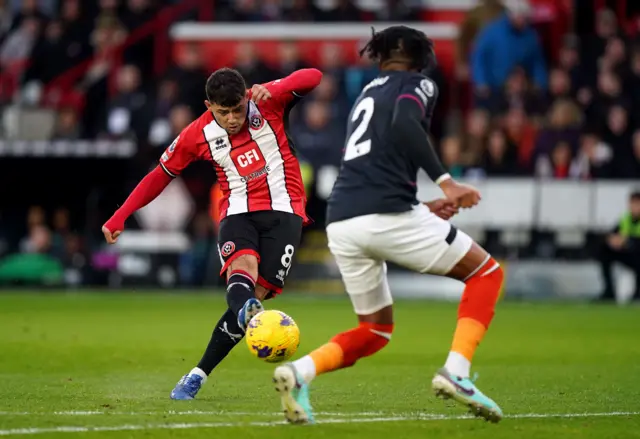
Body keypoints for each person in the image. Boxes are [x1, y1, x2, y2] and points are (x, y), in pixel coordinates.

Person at [271, 26, 504, 424]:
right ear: (419, 56)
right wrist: (447, 183)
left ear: (380, 56)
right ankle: (458, 373)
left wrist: (420, 206)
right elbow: (404, 124)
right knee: (487, 273)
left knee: (375, 330)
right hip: (384, 216)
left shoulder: (366, 92)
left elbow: (375, 165)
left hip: (344, 220)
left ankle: (299, 372)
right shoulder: (418, 84)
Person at [101, 66, 322, 399]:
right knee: (241, 272)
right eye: (224, 112)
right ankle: (204, 368)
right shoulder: (196, 134)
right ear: (208, 106)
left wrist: (280, 84)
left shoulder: (267, 101)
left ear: (245, 98)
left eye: (237, 109)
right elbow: (159, 175)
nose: (233, 118)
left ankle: (205, 363)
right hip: (237, 212)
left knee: (255, 295)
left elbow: (314, 76)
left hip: (285, 212)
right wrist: (121, 215)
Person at [597, 191, 640, 302]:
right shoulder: (626, 218)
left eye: (637, 204)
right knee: (604, 251)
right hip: (628, 254)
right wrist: (612, 240)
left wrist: (628, 241)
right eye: (632, 204)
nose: (634, 207)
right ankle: (609, 291)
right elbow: (613, 233)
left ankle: (637, 293)